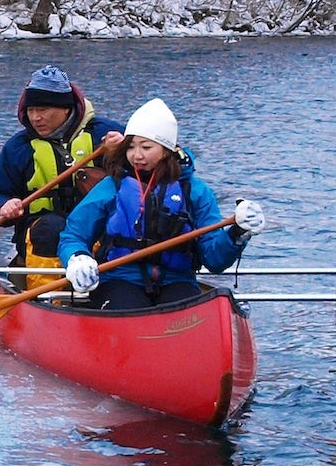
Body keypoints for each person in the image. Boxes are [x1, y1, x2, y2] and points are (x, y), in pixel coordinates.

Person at [59, 98, 267, 310]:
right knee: (130, 308)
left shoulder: (195, 191)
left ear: (167, 150)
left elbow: (215, 260)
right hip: (119, 279)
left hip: (177, 280)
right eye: (130, 147)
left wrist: (237, 233)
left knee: (186, 313)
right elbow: (74, 235)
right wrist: (77, 258)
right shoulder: (112, 186)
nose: (136, 155)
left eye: (146, 147)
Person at [0, 66, 125, 266]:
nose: (35, 118)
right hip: (42, 229)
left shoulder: (107, 134)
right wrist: (2, 206)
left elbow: (154, 163)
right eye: (31, 110)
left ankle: (109, 284)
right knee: (50, 228)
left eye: (42, 110)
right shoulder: (19, 147)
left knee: (112, 225)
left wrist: (124, 149)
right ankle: (50, 293)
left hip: (96, 222)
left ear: (65, 108)